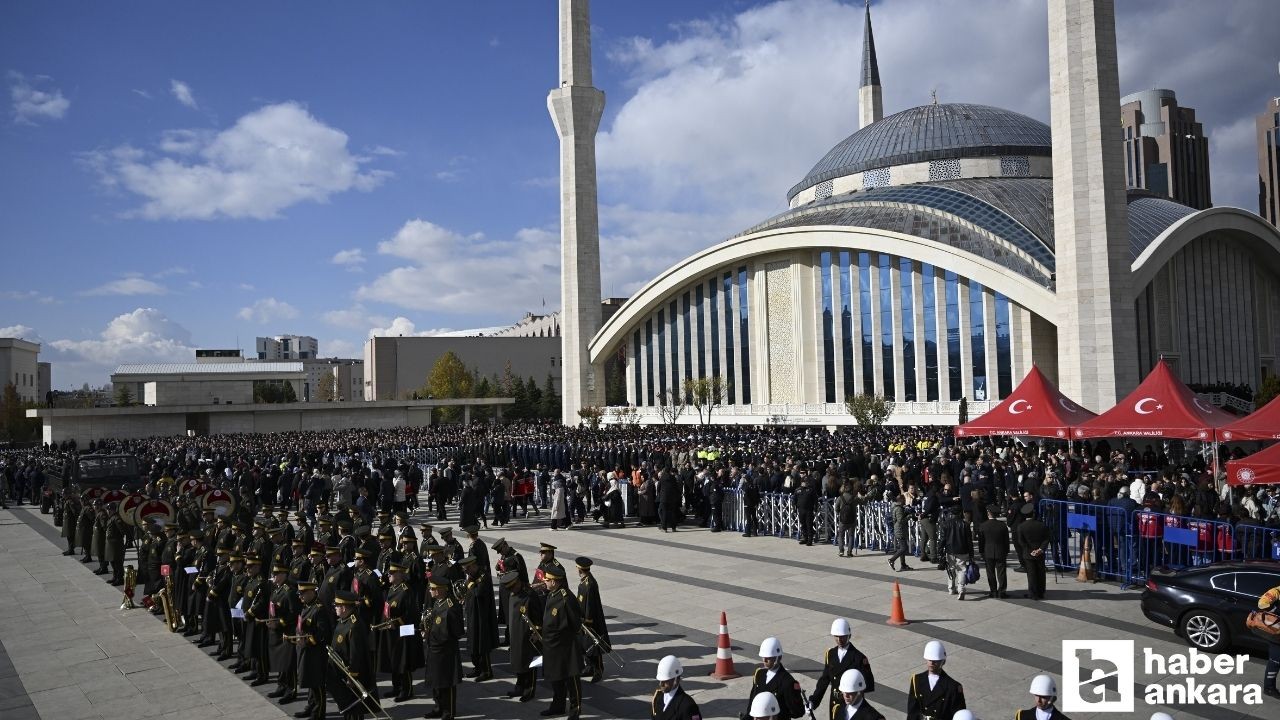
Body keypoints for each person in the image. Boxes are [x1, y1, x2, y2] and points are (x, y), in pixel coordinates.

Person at [540, 564, 584, 720]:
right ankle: (557, 706)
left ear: (555, 581)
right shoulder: (551, 594)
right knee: (556, 678)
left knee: (571, 679)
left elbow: (576, 624)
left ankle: (575, 709)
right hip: (552, 647)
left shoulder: (566, 598)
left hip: (566, 647)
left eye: (547, 579)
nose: (544, 581)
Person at [810, 618, 875, 719]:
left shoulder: (858, 658)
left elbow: (868, 684)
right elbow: (824, 680)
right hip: (835, 704)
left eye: (842, 637)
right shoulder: (830, 654)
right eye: (836, 636)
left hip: (851, 704)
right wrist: (814, 700)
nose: (839, 640)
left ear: (849, 636)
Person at [380, 557, 424, 702]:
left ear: (399, 574)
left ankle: (407, 690)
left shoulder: (406, 591)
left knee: (403, 661)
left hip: (403, 632)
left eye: (391, 573)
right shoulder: (392, 588)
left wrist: (397, 623)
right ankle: (396, 687)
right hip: (391, 631)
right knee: (394, 659)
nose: (389, 575)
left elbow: (412, 614)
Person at [422, 577, 463, 720]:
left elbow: (457, 631)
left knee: (447, 682)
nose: (430, 590)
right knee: (436, 681)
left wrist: (437, 635)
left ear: (440, 590)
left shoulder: (451, 606)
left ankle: (448, 711)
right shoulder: (437, 603)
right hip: (434, 649)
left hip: (446, 651)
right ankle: (438, 707)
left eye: (432, 588)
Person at [329, 590, 373, 720]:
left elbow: (356, 654)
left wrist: (352, 676)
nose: (335, 608)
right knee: (347, 707)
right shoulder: (344, 620)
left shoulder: (354, 625)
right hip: (341, 673)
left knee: (354, 708)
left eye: (336, 605)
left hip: (352, 675)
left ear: (343, 607)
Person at [292, 578, 332, 720]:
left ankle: (318, 713)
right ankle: (311, 706)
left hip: (316, 653)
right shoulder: (307, 606)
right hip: (306, 651)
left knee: (317, 684)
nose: (300, 596)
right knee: (310, 681)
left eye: (302, 593)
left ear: (311, 592)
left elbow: (323, 634)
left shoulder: (319, 609)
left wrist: (308, 638)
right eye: (299, 594)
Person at [500, 569, 542, 702]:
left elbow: (538, 618)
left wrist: (537, 632)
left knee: (530, 663)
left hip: (528, 636)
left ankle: (530, 688)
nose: (511, 590)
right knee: (518, 661)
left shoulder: (529, 595)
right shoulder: (512, 594)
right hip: (516, 634)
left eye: (513, 587)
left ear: (517, 583)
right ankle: (520, 685)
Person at [743, 637, 805, 720]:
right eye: (763, 656)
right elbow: (752, 704)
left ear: (778, 658)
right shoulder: (759, 674)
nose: (764, 660)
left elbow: (798, 712)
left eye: (768, 657)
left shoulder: (787, 682)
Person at [458, 555, 498, 681]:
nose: (466, 572)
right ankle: (478, 668)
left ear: (473, 566)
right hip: (472, 613)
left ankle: (487, 670)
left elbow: (479, 593)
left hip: (481, 616)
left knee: (482, 644)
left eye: (467, 569)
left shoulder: (483, 576)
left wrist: (470, 584)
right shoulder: (472, 576)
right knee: (473, 642)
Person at [266, 564, 301, 705]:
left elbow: (294, 614)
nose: (274, 576)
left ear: (283, 575)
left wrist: (279, 623)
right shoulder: (277, 589)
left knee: (288, 663)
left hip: (287, 631)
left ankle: (291, 690)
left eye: (276, 574)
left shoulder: (289, 591)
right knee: (280, 660)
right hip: (277, 632)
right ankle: (281, 685)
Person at [905, 641, 965, 720]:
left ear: (943, 661)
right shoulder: (916, 680)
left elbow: (959, 715)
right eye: (929, 659)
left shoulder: (953, 686)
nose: (931, 663)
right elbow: (912, 711)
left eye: (935, 660)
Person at [576, 557, 611, 683]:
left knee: (594, 647)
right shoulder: (585, 581)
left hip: (591, 621)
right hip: (583, 619)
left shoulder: (589, 584)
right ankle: (589, 667)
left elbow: (589, 606)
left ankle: (598, 669)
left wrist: (587, 621)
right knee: (586, 645)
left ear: (580, 569)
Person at [1016, 504, 1050, 600]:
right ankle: (1041, 592)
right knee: (1041, 573)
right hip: (1040, 553)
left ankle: (1033, 593)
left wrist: (1030, 550)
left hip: (1028, 554)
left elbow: (1021, 542)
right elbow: (1046, 539)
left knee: (1031, 574)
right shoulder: (1041, 525)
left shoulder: (1021, 527)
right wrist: (1040, 549)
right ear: (1033, 513)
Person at [652, 655, 702, 720]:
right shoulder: (658, 697)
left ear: (676, 679)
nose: (661, 684)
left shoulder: (688, 706)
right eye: (661, 680)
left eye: (665, 681)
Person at [978, 507, 1009, 599]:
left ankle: (993, 591)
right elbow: (1006, 541)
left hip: (988, 552)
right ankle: (1002, 591)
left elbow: (981, 541)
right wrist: (1006, 551)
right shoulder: (1002, 525)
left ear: (988, 514)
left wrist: (981, 552)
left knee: (990, 572)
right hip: (1000, 551)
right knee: (1002, 572)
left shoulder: (983, 526)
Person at [943, 510, 974, 600]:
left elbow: (943, 539)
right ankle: (961, 589)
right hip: (962, 550)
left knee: (951, 569)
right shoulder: (965, 524)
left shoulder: (946, 524)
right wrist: (971, 553)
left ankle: (951, 588)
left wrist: (940, 551)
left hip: (950, 550)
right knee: (962, 570)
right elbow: (969, 541)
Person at [1257, 581, 1280, 698]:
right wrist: (1273, 610)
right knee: (1276, 661)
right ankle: (1269, 688)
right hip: (1277, 634)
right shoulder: (1277, 591)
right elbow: (1262, 603)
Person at [888, 495, 913, 572]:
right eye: (904, 499)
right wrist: (909, 516)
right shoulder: (898, 509)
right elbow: (900, 521)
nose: (905, 500)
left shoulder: (899, 507)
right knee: (903, 548)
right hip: (900, 530)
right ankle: (892, 560)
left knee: (902, 547)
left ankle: (903, 565)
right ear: (901, 500)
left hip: (900, 530)